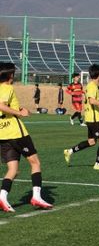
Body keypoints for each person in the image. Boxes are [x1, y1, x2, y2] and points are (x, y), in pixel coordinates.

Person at [0, 63, 53, 212]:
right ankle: (36, 196)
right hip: (16, 134)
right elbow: (1, 105)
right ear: (10, 75)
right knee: (35, 163)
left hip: (3, 134)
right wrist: (19, 113)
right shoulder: (7, 88)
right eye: (13, 73)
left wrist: (20, 109)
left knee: (13, 169)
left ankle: (2, 197)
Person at [63, 64, 99, 170]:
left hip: (90, 118)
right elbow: (91, 100)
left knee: (91, 141)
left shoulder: (92, 86)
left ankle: (69, 151)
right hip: (94, 119)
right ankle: (98, 164)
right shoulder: (92, 86)